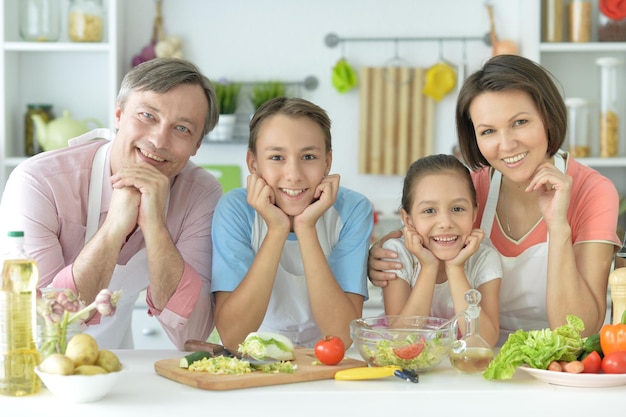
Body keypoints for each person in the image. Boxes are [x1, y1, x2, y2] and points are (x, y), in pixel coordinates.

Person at [369, 54, 621, 346]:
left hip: (556, 366)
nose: (506, 144)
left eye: (520, 122)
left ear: (548, 118)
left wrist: (559, 227)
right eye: (488, 131)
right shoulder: (469, 192)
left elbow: (579, 332)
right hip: (476, 358)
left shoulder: (594, 192)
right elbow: (419, 236)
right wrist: (378, 256)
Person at [0, 57, 222, 350]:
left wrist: (155, 228)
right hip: (25, 366)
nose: (159, 140)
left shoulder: (200, 194)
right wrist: (114, 228)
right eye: (147, 116)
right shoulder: (39, 182)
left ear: (196, 146)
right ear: (118, 115)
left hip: (116, 364)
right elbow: (41, 329)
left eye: (182, 129)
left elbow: (191, 334)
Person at [211, 97, 373, 351]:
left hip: (327, 361)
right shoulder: (235, 209)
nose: (294, 174)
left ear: (327, 163)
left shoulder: (353, 210)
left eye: (308, 156)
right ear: (253, 163)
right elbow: (234, 337)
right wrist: (277, 229)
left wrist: (306, 228)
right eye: (277, 157)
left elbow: (342, 335)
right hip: (251, 359)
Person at [382, 154, 501, 347]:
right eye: (429, 211)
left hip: (464, 372)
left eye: (457, 209)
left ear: (474, 213)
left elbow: (484, 342)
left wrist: (455, 269)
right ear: (407, 219)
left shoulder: (485, 258)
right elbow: (401, 340)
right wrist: (428, 267)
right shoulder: (397, 254)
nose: (445, 223)